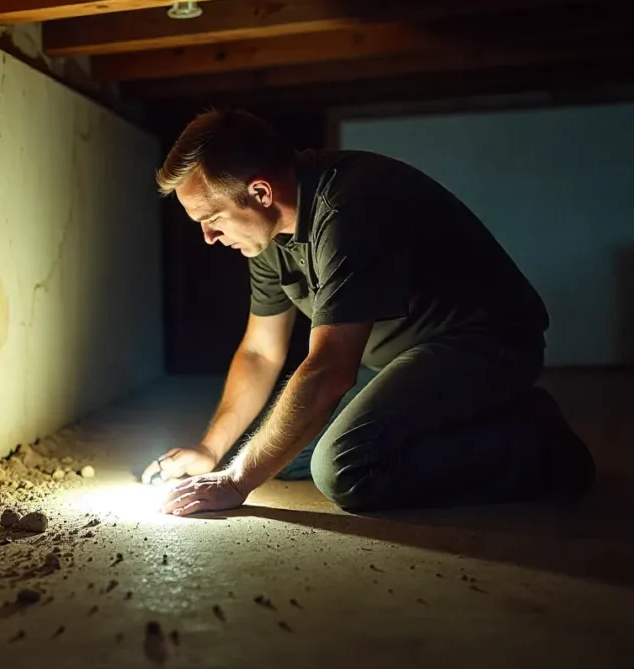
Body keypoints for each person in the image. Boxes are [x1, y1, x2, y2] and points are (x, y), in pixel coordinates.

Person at [143, 109, 596, 516]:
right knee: (283, 450)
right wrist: (212, 450)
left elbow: (330, 369)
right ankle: (471, 420)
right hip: (397, 362)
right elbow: (261, 353)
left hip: (485, 343)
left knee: (344, 466)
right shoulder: (267, 238)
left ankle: (536, 445)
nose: (207, 236)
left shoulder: (349, 208)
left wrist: (236, 481)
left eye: (212, 218)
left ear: (260, 192)